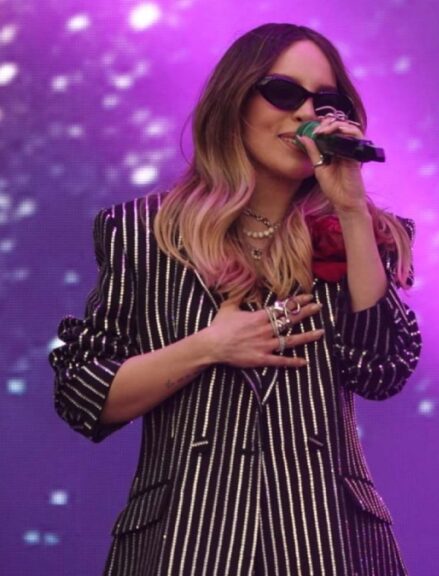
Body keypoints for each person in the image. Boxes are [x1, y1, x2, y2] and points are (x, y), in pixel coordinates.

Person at [48, 23, 420, 576]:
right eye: (284, 93)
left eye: (326, 100)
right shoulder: (141, 232)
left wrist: (349, 208)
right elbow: (83, 394)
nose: (305, 114)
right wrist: (208, 347)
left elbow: (383, 369)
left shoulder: (361, 230)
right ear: (235, 100)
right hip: (189, 537)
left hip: (327, 539)